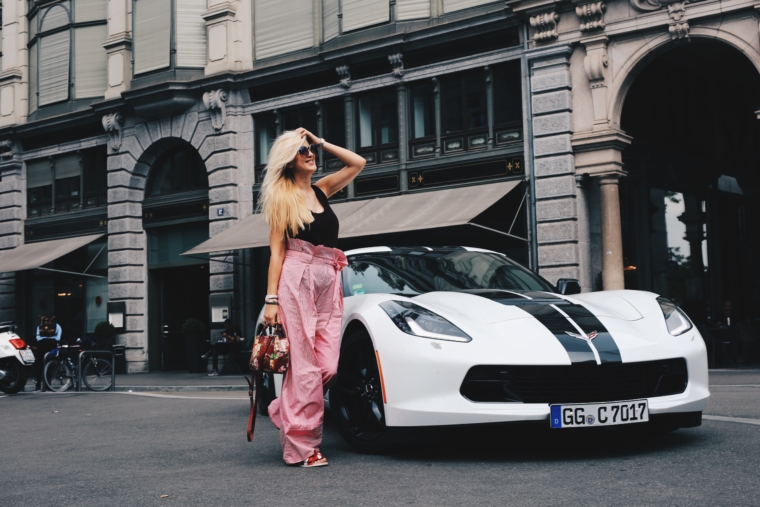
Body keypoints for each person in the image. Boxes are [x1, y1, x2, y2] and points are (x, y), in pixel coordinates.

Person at [260, 127, 365, 467]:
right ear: (289, 160)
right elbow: (276, 253)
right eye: (302, 149)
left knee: (327, 366)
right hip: (296, 277)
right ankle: (302, 448)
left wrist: (323, 140)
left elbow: (357, 163)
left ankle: (287, 408)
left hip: (328, 279)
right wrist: (271, 300)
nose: (310, 153)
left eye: (310, 148)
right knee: (304, 368)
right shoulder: (282, 197)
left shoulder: (322, 190)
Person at [33, 316, 62, 391]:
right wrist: (53, 339)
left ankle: (38, 384)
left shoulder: (39, 326)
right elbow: (58, 338)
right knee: (50, 364)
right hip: (52, 345)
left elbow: (37, 338)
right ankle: (48, 384)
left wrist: (43, 339)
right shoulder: (57, 326)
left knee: (39, 365)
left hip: (41, 345)